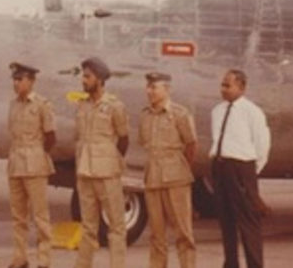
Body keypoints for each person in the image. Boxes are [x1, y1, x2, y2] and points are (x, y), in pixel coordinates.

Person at [209, 69, 271, 268]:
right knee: (226, 221)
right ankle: (231, 263)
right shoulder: (217, 111)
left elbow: (262, 144)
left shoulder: (252, 112)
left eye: (228, 85)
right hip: (221, 166)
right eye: (222, 85)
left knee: (248, 221)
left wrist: (249, 172)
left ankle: (254, 264)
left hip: (242, 168)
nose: (223, 89)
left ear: (241, 88)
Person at [74, 57, 129, 268]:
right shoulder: (82, 105)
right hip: (85, 173)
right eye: (83, 76)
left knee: (116, 225)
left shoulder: (115, 106)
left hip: (107, 173)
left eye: (87, 77)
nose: (83, 80)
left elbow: (123, 139)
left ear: (100, 79)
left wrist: (112, 161)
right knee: (88, 226)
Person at [138, 72, 197, 268]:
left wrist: (179, 169)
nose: (149, 91)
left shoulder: (180, 114)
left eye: (154, 87)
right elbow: (144, 143)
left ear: (166, 89)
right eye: (148, 87)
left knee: (183, 232)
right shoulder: (145, 115)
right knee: (156, 234)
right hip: (153, 179)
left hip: (176, 179)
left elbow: (191, 145)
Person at [6, 61, 56, 268]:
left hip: (35, 163)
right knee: (18, 215)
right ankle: (20, 257)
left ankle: (44, 259)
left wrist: (36, 153)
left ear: (31, 81)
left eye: (20, 79)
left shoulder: (42, 105)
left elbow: (50, 137)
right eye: (14, 80)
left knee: (40, 215)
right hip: (16, 163)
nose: (16, 84)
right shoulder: (13, 104)